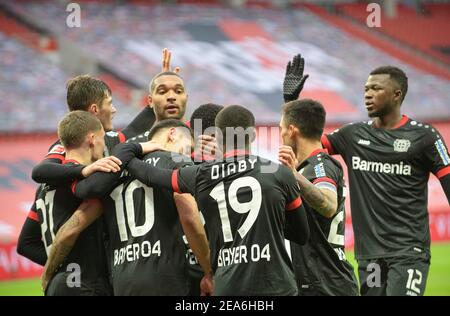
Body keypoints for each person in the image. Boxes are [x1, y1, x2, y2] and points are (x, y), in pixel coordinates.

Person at [284, 59, 450, 295]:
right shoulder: (353, 134)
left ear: (396, 94)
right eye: (365, 89)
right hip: (369, 257)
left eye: (376, 89)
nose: (368, 94)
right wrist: (291, 104)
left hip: (408, 253)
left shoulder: (424, 137)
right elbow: (303, 142)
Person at [120, 105, 310, 296]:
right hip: (276, 285)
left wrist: (127, 151)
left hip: (227, 286)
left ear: (217, 136)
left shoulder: (201, 175)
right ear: (252, 135)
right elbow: (301, 234)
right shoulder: (279, 173)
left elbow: (151, 175)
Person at [71, 119, 213, 296]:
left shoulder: (113, 172)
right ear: (173, 133)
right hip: (164, 277)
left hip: (122, 280)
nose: (188, 154)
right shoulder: (173, 163)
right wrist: (208, 271)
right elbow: (190, 217)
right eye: (188, 147)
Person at [23, 111, 112, 295]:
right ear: (92, 139)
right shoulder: (86, 182)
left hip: (59, 284)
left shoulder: (43, 188)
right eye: (103, 139)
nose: (104, 145)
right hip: (84, 283)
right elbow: (69, 232)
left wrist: (58, 269)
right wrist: (50, 269)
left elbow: (25, 243)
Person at [278, 99, 359, 296]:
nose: (280, 134)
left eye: (281, 128)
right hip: (319, 282)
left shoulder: (321, 165)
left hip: (328, 284)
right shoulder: (306, 167)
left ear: (292, 130)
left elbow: (328, 204)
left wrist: (293, 175)